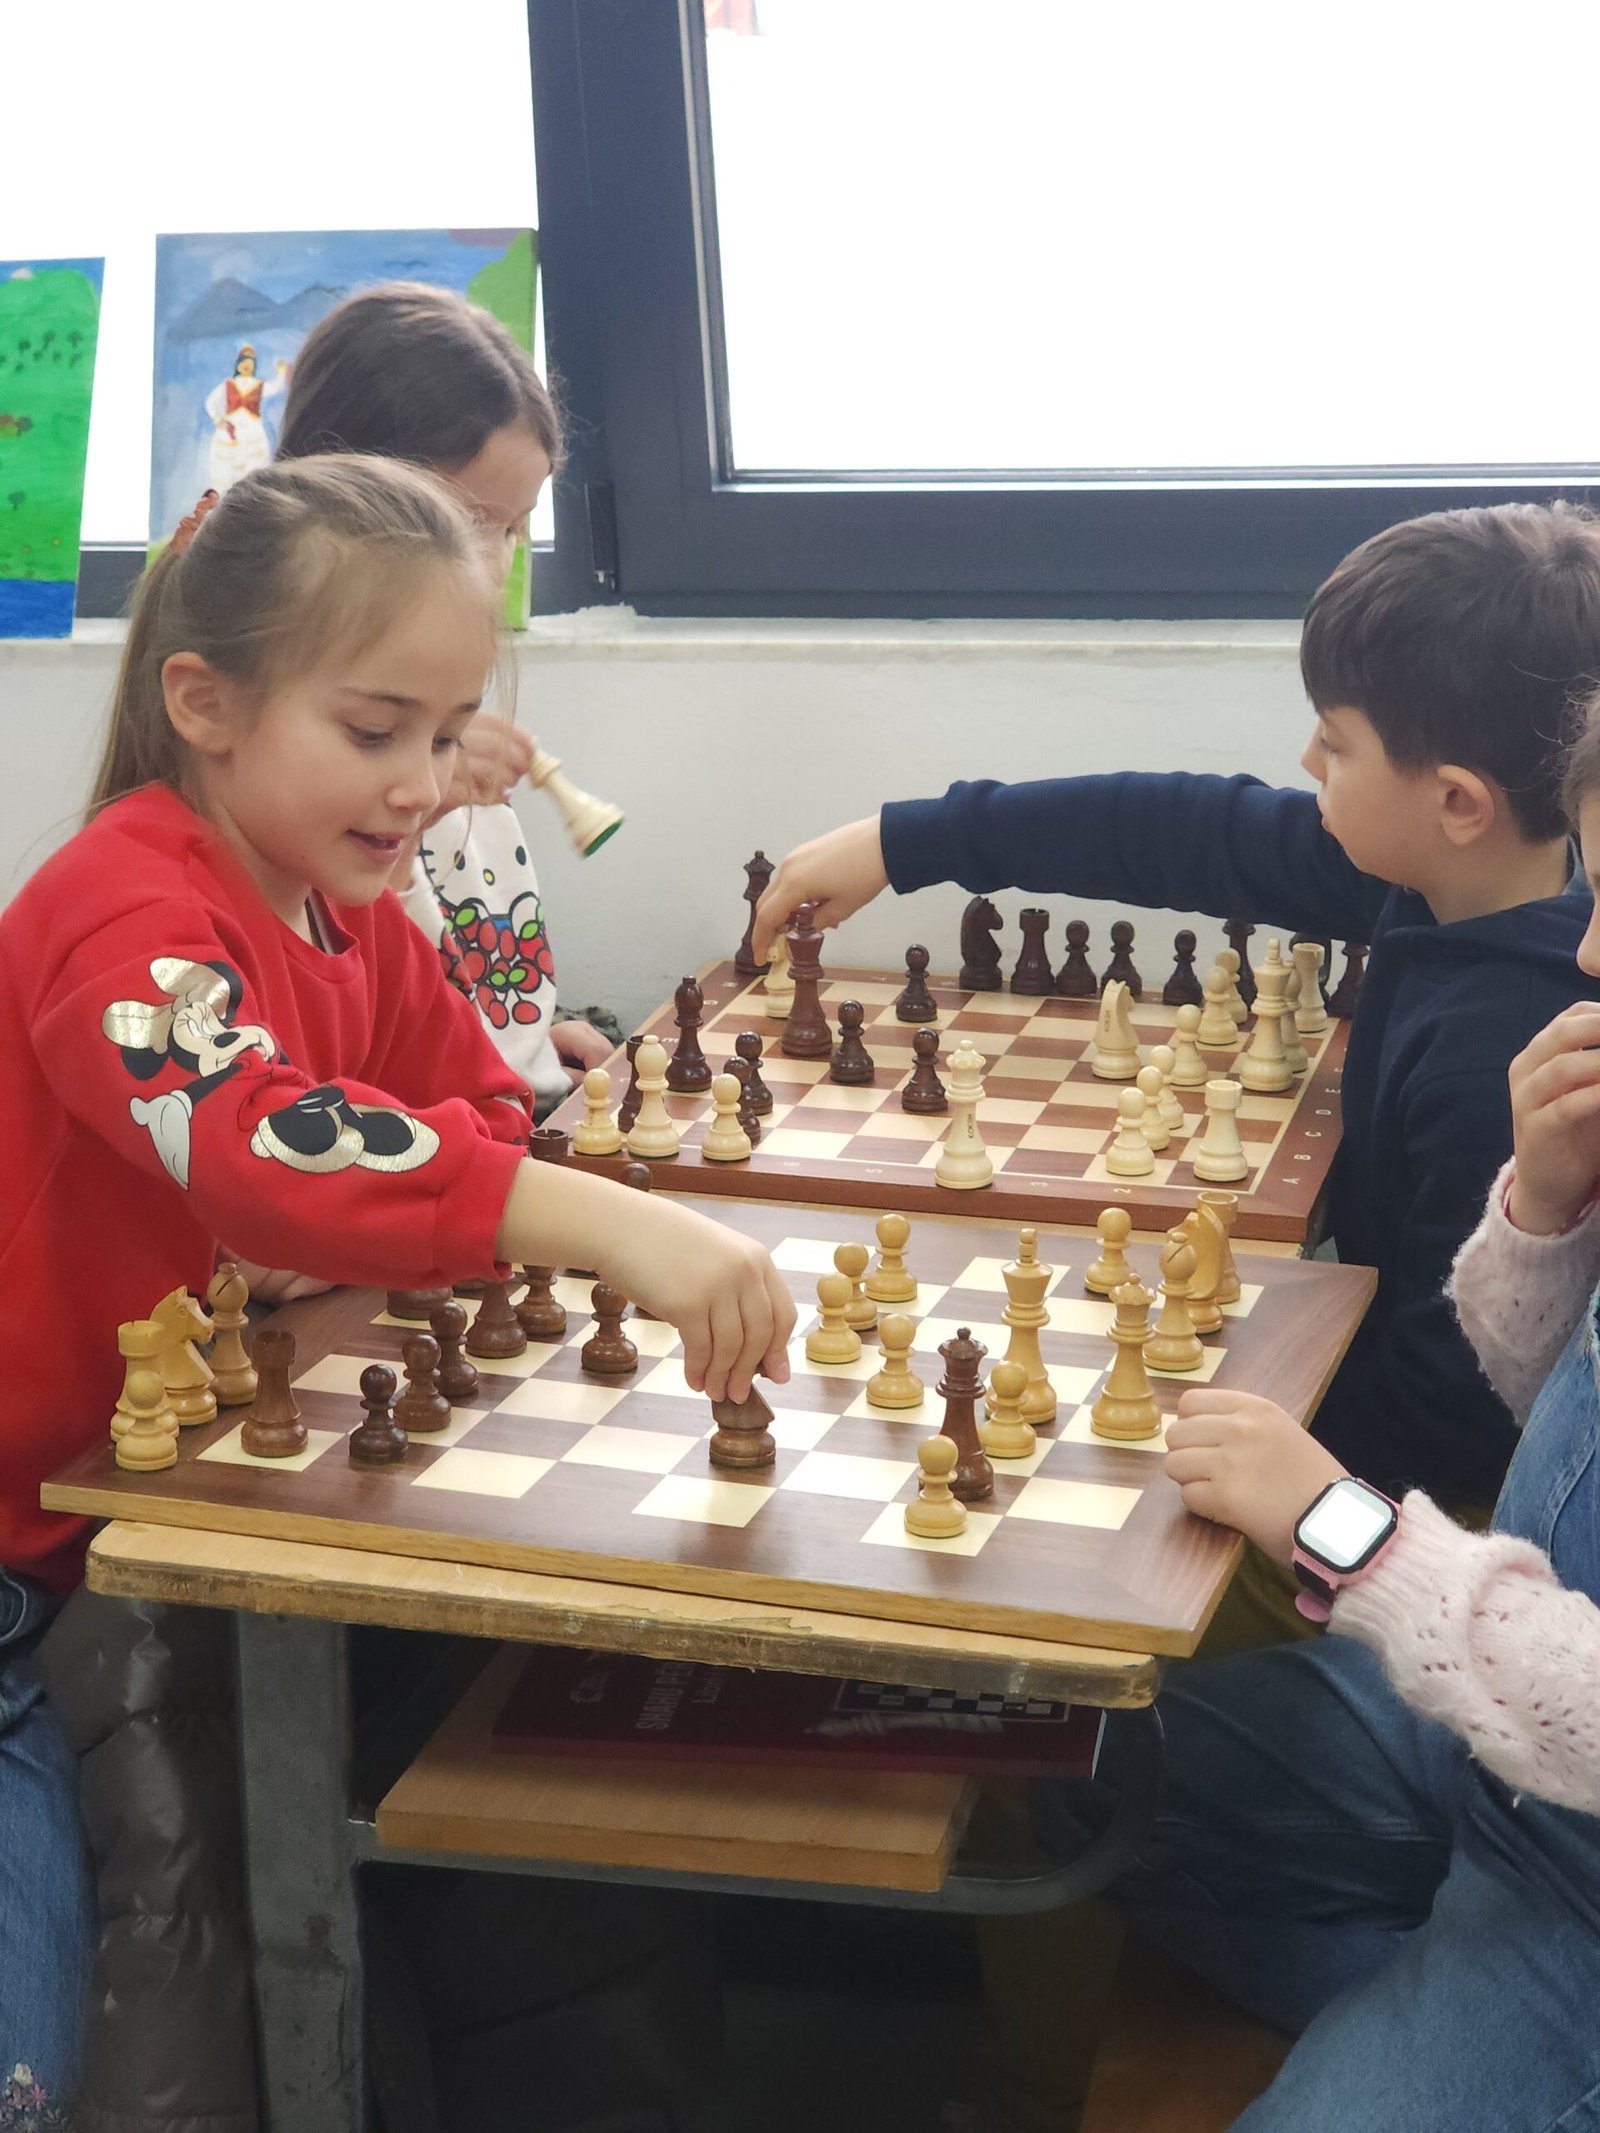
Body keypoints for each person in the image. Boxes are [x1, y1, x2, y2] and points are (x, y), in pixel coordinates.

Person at [0, 456, 792, 2114]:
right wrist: (606, 1228)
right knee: (46, 2058)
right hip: (20, 1558)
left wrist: (459, 1196)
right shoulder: (118, 904)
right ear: (205, 703)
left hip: (158, 1521)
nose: (424, 785)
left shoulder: (348, 917)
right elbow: (245, 1128)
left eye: (447, 733)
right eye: (376, 732)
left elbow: (481, 1107)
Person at [754, 502, 1600, 1630]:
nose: (1305, 762)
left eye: (1334, 743)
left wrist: (1192, 1404)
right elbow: (1181, 829)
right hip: (1369, 1445)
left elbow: (1452, 1410)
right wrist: (909, 839)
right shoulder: (1459, 878)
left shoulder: (1503, 1048)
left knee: (1055, 1561)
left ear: (1455, 801)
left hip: (1425, 1524)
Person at [1036, 708, 1600, 2131]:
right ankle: (1425, 1999)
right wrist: (1544, 1217)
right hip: (1507, 1759)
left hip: (1580, 1876)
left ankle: (1469, 2025)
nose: (1588, 956)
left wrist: (1342, 1528)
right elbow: (1559, 1422)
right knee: (1064, 1778)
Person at [277, 282, 612, 1116]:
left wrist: (531, 1036)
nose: (493, 564)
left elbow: (468, 950)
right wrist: (413, 820)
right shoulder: (293, 768)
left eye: (513, 526)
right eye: (467, 521)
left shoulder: (439, 699)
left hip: (508, 1101)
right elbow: (344, 1022)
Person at [203, 343, 288, 492]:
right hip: (231, 431)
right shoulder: (228, 384)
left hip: (252, 431)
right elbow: (210, 402)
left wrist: (281, 372)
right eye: (244, 363)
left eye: (250, 364)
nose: (247, 366)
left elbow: (275, 387)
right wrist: (218, 419)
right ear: (238, 365)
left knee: (252, 465)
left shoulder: (258, 385)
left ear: (254, 367)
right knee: (227, 466)